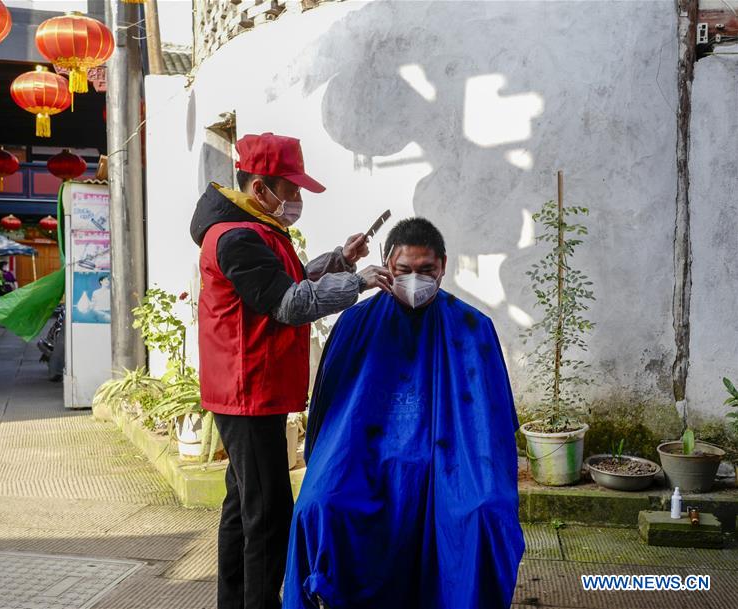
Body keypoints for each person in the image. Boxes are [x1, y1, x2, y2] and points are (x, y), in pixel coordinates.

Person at [189, 132, 394, 609]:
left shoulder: (253, 228)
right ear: (260, 189)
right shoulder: (237, 238)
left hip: (249, 388)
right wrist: (357, 282)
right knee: (269, 513)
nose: (297, 200)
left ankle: (235, 601)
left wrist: (340, 260)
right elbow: (288, 302)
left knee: (243, 507)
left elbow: (291, 276)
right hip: (247, 391)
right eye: (291, 190)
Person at [283, 218, 525, 609]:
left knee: (486, 511)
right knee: (318, 506)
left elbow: (490, 427)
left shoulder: (473, 327)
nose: (416, 280)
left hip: (452, 465)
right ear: (385, 266)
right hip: (364, 462)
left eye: (426, 271)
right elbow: (331, 415)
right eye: (404, 271)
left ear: (443, 265)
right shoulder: (355, 323)